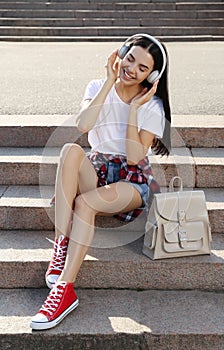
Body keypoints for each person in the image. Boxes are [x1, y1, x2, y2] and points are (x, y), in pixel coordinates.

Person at [30, 33, 171, 330]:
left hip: (131, 182)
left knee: (84, 203)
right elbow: (82, 125)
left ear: (153, 75)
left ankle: (64, 291)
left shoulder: (152, 106)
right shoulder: (97, 87)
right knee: (69, 150)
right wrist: (109, 82)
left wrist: (134, 109)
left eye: (142, 68)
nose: (131, 69)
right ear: (121, 52)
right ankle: (61, 245)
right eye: (129, 58)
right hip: (97, 169)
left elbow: (134, 156)